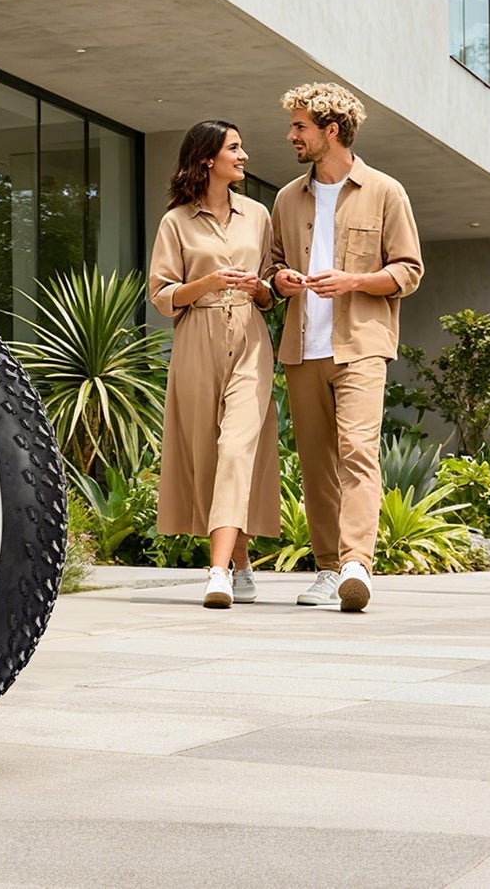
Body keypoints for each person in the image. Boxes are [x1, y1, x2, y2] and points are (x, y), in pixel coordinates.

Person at [266, 83, 423, 612]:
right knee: (316, 465)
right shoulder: (287, 198)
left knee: (358, 451)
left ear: (330, 131)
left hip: (361, 345)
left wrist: (353, 281)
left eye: (300, 127)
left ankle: (357, 564)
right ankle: (329, 569)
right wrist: (281, 280)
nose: (292, 135)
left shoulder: (386, 191)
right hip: (302, 348)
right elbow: (272, 268)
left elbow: (408, 270)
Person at [149, 120, 281, 609]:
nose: (244, 156)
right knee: (208, 456)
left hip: (249, 337)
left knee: (236, 449)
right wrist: (206, 283)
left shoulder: (258, 215)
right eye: (235, 148)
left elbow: (269, 290)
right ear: (208, 158)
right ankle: (241, 563)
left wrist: (259, 287)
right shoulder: (176, 222)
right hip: (196, 338)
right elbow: (162, 295)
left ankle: (218, 572)